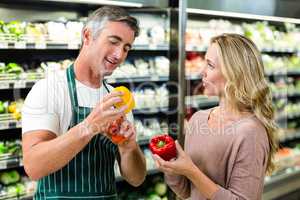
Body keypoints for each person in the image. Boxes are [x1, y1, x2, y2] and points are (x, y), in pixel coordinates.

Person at [22, 6, 146, 199]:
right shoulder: (49, 90)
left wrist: (128, 147)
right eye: (114, 42)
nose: (119, 55)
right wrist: (89, 126)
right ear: (87, 36)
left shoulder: (117, 99)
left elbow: (136, 179)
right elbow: (34, 167)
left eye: (126, 48)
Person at [153, 33, 278, 200]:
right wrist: (172, 170)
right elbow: (187, 192)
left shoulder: (251, 133)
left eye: (210, 65)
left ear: (234, 73)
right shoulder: (198, 119)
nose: (201, 72)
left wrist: (191, 170)